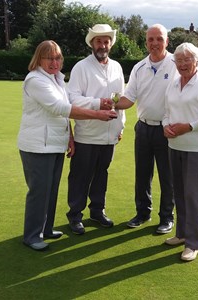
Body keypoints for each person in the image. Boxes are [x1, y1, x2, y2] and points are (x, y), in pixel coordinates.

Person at [17, 40, 117, 251]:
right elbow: (61, 108)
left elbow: (62, 115)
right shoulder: (35, 80)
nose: (54, 62)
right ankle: (32, 235)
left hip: (54, 143)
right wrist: (98, 114)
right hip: (37, 146)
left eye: (58, 57)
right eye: (49, 58)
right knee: (39, 191)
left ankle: (46, 229)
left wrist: (70, 137)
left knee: (51, 189)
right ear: (39, 59)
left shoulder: (56, 79)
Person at [113, 24, 177, 234]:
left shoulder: (177, 64)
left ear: (167, 41)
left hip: (167, 130)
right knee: (142, 174)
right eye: (150, 39)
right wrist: (108, 104)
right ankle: (142, 213)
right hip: (143, 128)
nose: (154, 43)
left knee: (167, 176)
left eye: (159, 39)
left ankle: (167, 218)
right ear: (146, 42)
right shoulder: (139, 67)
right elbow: (128, 99)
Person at [163, 42, 198, 261]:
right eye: (179, 60)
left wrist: (187, 126)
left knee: (194, 195)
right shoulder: (173, 83)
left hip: (197, 147)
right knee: (179, 193)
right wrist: (166, 127)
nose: (183, 64)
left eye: (188, 59)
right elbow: (167, 112)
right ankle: (181, 234)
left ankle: (193, 243)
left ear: (197, 61)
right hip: (174, 146)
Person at [66, 24, 125, 234]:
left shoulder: (117, 67)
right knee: (81, 175)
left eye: (106, 40)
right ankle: (75, 215)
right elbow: (72, 99)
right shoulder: (81, 67)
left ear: (111, 43)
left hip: (110, 135)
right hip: (87, 134)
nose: (103, 44)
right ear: (92, 43)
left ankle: (97, 211)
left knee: (102, 174)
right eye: (99, 41)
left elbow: (120, 99)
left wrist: (121, 125)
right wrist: (97, 103)